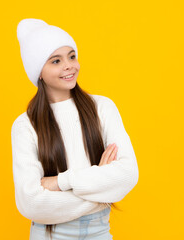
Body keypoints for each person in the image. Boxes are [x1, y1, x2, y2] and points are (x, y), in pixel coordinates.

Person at [12, 18, 139, 240]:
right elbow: (30, 203)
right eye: (55, 61)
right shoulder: (25, 125)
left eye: (72, 56)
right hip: (48, 235)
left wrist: (60, 182)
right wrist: (101, 190)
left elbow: (127, 175)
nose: (69, 65)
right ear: (38, 71)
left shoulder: (102, 108)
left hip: (99, 232)